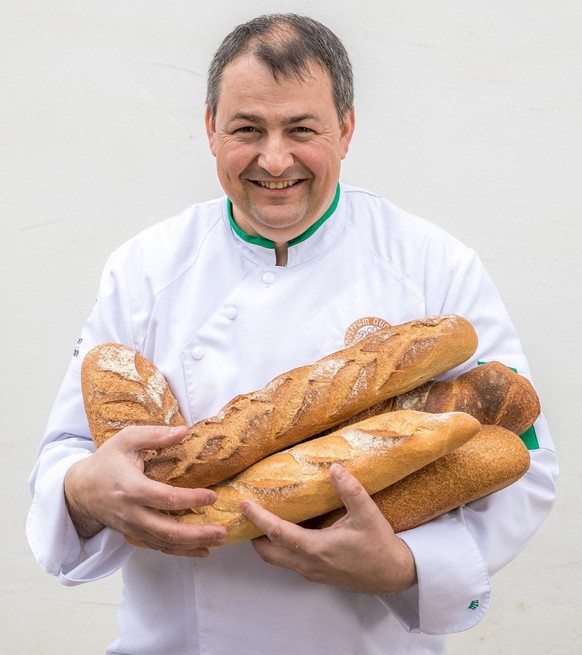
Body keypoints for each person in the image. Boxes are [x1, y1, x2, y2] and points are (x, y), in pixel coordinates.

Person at [27, 13, 557, 654]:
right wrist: (84, 489)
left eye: (301, 130)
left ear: (346, 130)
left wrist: (404, 565)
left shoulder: (431, 264)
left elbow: (521, 456)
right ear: (210, 130)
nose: (273, 160)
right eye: (247, 129)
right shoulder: (145, 268)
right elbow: (66, 448)